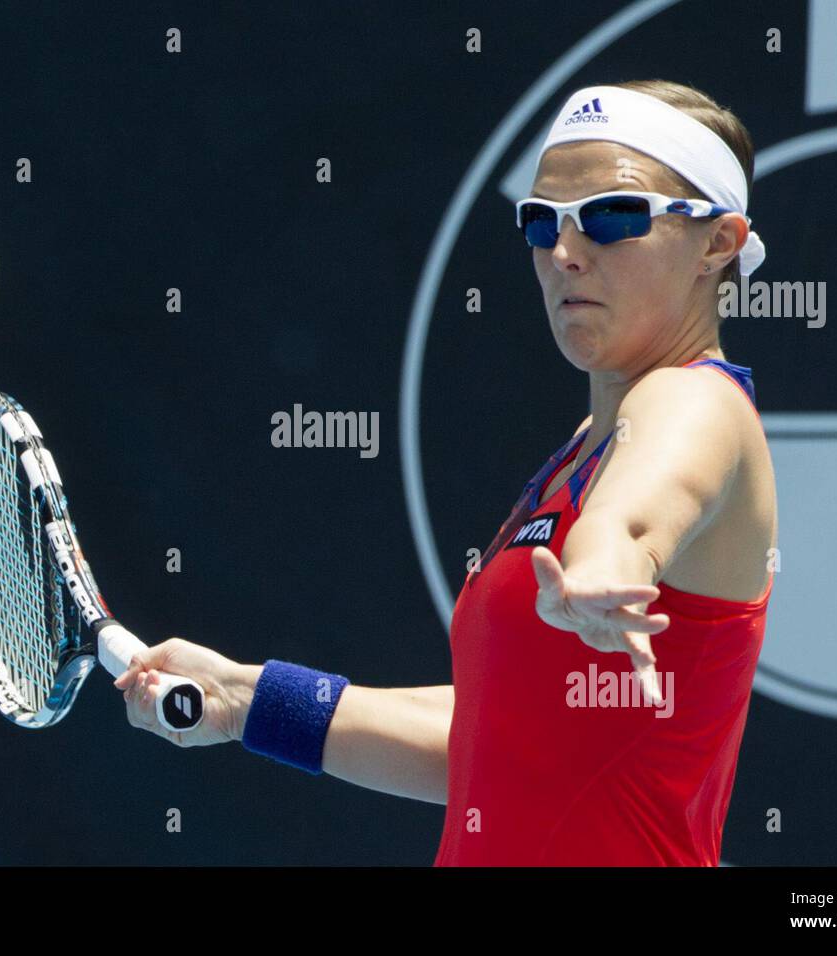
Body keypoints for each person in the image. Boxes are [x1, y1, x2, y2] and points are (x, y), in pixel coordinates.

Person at [114, 79, 777, 866]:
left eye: (611, 215)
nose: (565, 252)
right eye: (542, 222)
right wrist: (245, 699)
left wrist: (608, 564)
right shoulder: (580, 448)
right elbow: (499, 740)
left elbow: (632, 521)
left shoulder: (694, 403)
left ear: (719, 243)